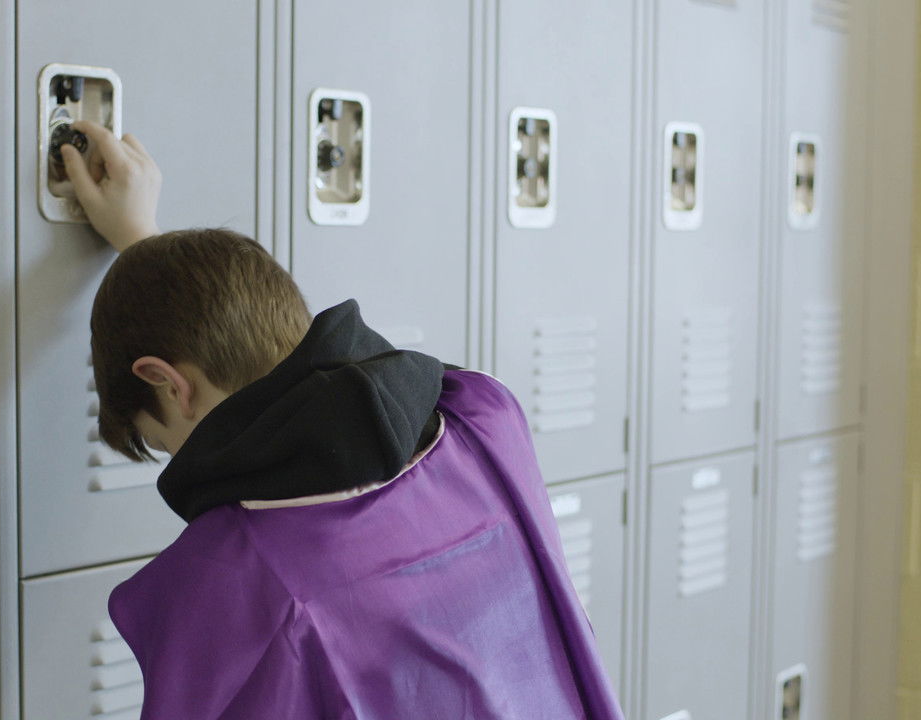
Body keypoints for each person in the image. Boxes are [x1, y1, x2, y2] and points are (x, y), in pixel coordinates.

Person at [60, 121, 624, 719]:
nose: (181, 454)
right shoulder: (483, 416)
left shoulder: (226, 584)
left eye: (163, 439)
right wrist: (146, 248)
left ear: (168, 384)